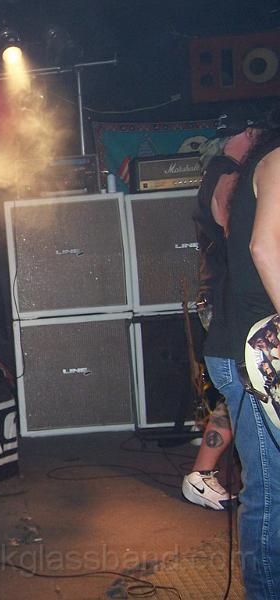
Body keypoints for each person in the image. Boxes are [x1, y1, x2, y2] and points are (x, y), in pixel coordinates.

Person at [183, 114, 261, 510]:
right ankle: (204, 473)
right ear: (248, 133)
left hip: (222, 295)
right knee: (245, 386)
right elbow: (239, 236)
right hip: (229, 299)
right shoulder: (228, 175)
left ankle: (202, 473)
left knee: (240, 391)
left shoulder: (218, 171)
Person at [219, 104, 280, 599]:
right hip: (253, 350)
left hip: (255, 343)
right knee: (270, 489)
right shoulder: (278, 159)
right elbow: (264, 248)